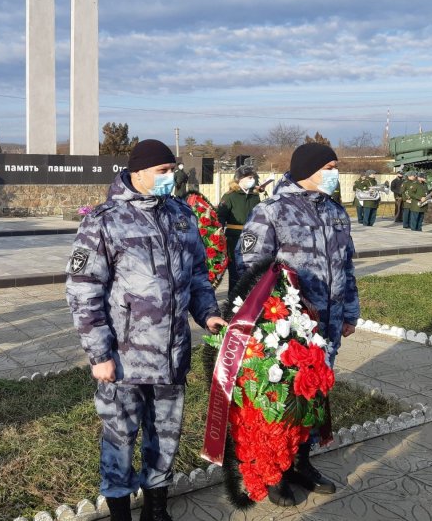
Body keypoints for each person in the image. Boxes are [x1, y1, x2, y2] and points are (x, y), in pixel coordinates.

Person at [65, 139, 225, 521]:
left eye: (173, 170)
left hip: (172, 354)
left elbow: (199, 276)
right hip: (125, 358)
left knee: (165, 435)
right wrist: (99, 354)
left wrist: (208, 315)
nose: (172, 177)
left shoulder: (181, 216)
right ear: (138, 173)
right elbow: (82, 289)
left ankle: (157, 507)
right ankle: (120, 511)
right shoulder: (104, 220)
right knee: (120, 438)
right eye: (163, 171)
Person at [236, 142, 359, 507]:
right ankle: (276, 471)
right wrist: (272, 323)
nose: (336, 173)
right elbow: (251, 270)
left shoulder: (337, 211)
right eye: (331, 166)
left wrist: (350, 312)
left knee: (314, 397)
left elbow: (346, 266)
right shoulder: (272, 211)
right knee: (284, 398)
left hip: (330, 324)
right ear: (310, 168)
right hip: (289, 328)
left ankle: (302, 463)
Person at [217, 165, 262, 309]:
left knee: (250, 272)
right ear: (240, 180)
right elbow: (220, 217)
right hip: (234, 238)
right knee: (235, 273)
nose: (252, 180)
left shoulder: (255, 197)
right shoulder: (230, 196)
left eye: (253, 177)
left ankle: (248, 304)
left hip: (253, 238)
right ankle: (232, 305)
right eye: (249, 177)